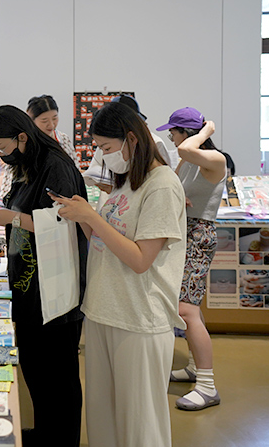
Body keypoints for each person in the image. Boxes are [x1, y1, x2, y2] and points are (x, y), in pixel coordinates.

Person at [53, 101, 186, 447]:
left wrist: (92, 217)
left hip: (139, 317)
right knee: (103, 418)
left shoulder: (162, 184)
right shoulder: (126, 182)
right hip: (103, 309)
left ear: (132, 139)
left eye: (107, 147)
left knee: (140, 425)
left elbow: (141, 259)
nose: (103, 155)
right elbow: (103, 241)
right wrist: (82, 215)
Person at [0, 105, 87, 447]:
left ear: (22, 137)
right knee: (36, 369)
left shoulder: (55, 165)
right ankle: (47, 432)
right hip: (30, 284)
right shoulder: (27, 162)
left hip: (54, 288)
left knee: (58, 377)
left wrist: (12, 218)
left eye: (2, 147)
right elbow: (22, 210)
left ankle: (61, 439)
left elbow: (64, 221)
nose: (0, 155)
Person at [157, 106, 227, 411]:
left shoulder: (215, 159)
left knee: (186, 311)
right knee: (189, 307)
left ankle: (208, 387)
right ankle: (195, 369)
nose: (171, 138)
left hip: (198, 236)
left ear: (186, 132)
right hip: (183, 234)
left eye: (173, 132)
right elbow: (172, 184)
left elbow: (186, 148)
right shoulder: (187, 160)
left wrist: (206, 129)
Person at [26, 94, 80, 166]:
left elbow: (75, 166)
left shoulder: (64, 139)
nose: (51, 125)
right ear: (32, 121)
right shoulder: (27, 142)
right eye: (44, 121)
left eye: (54, 118)